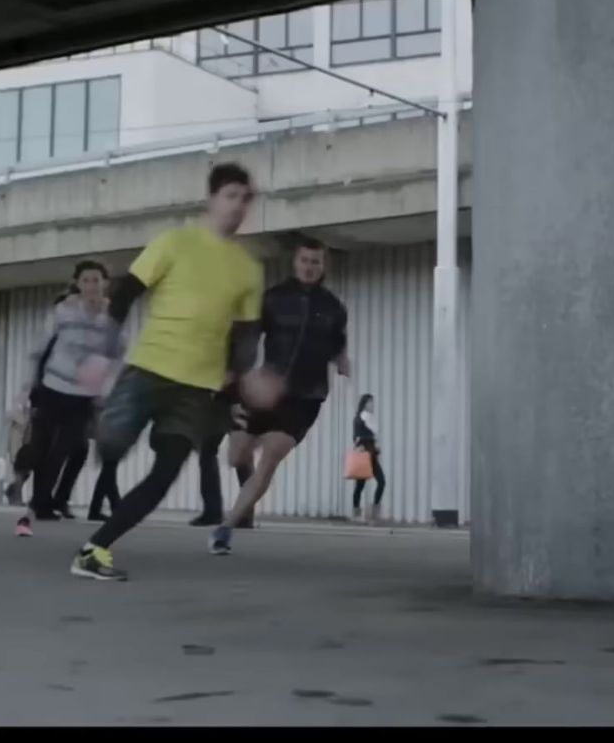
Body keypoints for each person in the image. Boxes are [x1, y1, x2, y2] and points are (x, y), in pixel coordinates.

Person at [68, 162, 281, 581]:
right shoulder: (175, 242)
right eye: (231, 196)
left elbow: (244, 336)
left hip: (195, 389)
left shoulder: (248, 271)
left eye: (245, 199)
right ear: (212, 199)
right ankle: (104, 430)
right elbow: (127, 292)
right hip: (148, 369)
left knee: (164, 473)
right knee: (110, 445)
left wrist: (240, 379)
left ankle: (94, 550)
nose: (238, 206)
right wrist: (102, 354)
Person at [208, 236, 349, 556]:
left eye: (316, 262)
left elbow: (337, 343)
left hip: (306, 396)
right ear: (295, 262)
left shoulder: (333, 307)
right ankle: (250, 439)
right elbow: (247, 338)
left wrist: (342, 360)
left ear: (323, 265)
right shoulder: (273, 298)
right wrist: (233, 377)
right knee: (236, 457)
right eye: (305, 261)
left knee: (271, 456)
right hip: (266, 389)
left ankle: (226, 527)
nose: (310, 267)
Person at [15, 259, 124, 537]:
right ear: (77, 283)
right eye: (85, 280)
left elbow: (116, 355)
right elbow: (39, 349)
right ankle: (40, 501)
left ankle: (43, 502)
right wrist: (27, 387)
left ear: (105, 283)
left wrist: (106, 390)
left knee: (64, 448)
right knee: (42, 445)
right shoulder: (62, 311)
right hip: (52, 387)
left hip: (84, 395)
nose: (91, 285)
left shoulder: (112, 315)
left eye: (96, 280)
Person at [351, 393, 386, 524]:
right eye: (370, 402)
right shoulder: (359, 419)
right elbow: (356, 437)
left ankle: (374, 514)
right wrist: (363, 442)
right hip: (363, 454)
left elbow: (373, 436)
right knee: (360, 486)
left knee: (382, 482)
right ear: (365, 403)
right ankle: (356, 513)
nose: (372, 405)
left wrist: (376, 446)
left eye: (373, 402)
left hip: (372, 455)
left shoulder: (372, 419)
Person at [3, 388, 33, 507]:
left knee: (26, 472)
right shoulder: (15, 412)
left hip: (26, 444)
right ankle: (17, 498)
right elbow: (11, 423)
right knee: (20, 472)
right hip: (16, 445)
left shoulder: (29, 412)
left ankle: (11, 490)